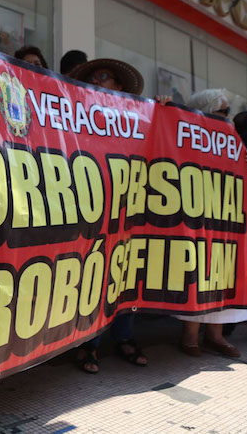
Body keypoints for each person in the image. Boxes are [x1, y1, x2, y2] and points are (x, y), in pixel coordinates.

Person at [69, 58, 147, 373]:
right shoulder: (71, 114)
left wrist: (166, 108)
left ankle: (124, 337)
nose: (99, 81)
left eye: (106, 77)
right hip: (87, 206)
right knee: (92, 273)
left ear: (119, 87)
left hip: (125, 208)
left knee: (123, 272)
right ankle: (88, 344)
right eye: (94, 77)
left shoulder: (137, 118)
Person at [175, 88, 247, 358]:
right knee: (196, 274)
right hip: (196, 217)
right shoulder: (183, 135)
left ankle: (216, 337)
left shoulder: (232, 140)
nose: (228, 117)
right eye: (222, 112)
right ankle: (190, 337)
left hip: (226, 217)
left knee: (222, 272)